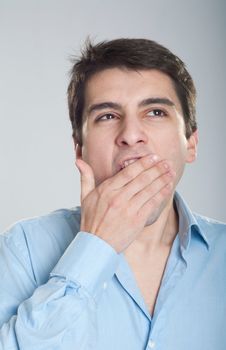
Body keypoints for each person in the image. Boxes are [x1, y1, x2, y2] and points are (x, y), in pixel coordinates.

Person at [0, 38, 225, 350]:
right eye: (107, 116)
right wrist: (96, 248)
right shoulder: (21, 249)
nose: (131, 135)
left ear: (191, 144)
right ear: (79, 148)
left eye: (156, 112)